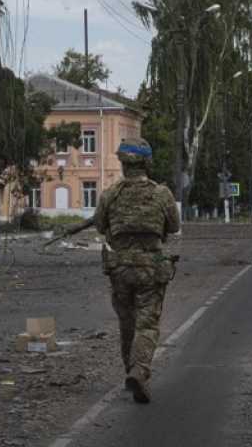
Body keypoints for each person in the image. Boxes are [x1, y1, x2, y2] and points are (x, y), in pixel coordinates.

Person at [50, 137, 180, 403]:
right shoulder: (162, 194)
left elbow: (99, 226)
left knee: (127, 323)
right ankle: (139, 370)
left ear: (122, 163)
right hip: (150, 269)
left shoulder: (110, 194)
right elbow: (174, 226)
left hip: (119, 269)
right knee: (147, 323)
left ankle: (129, 371)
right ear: (147, 163)